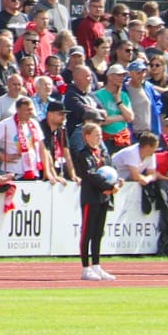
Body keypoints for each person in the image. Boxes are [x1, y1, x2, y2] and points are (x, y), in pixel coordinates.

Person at [74, 120, 118, 281]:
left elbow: (112, 168)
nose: (99, 138)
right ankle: (85, 268)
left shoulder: (103, 153)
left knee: (99, 233)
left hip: (103, 197)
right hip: (90, 197)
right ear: (87, 136)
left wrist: (115, 185)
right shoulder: (83, 154)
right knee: (87, 233)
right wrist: (108, 186)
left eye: (100, 134)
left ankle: (97, 265)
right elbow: (91, 175)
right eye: (96, 135)